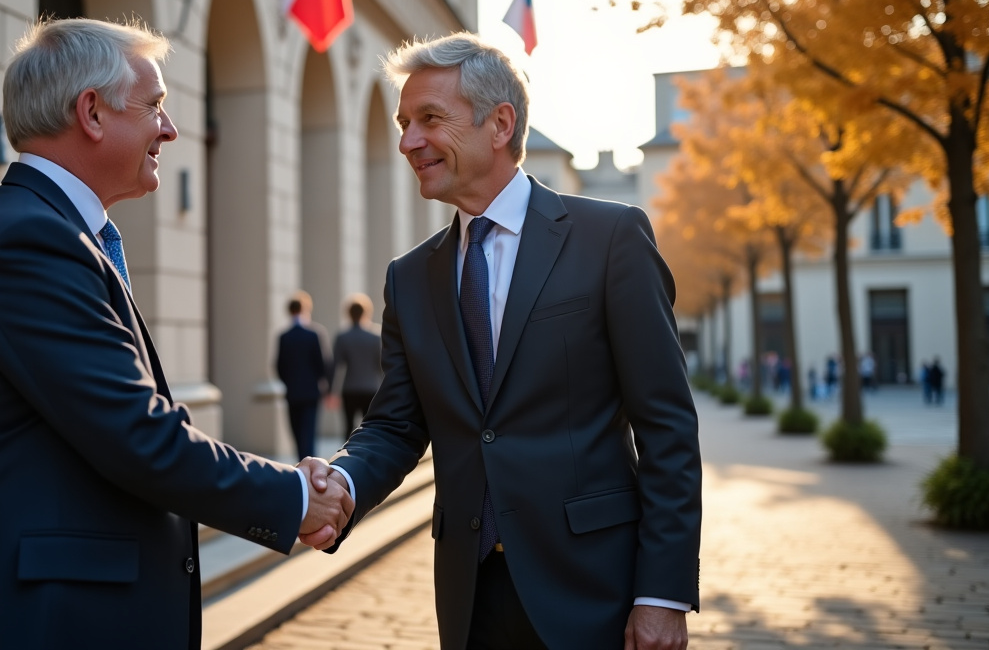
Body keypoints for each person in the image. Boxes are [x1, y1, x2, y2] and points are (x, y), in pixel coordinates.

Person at [0, 19, 352, 650]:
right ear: (91, 112)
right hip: (35, 622)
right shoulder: (29, 242)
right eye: (155, 106)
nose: (169, 129)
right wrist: (294, 496)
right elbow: (137, 433)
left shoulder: (51, 232)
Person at [301, 32, 702, 649]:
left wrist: (663, 593)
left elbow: (666, 425)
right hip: (471, 598)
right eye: (404, 124)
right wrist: (342, 483)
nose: (408, 141)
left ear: (500, 124)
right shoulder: (410, 277)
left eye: (429, 118)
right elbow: (396, 426)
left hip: (596, 591)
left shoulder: (611, 238)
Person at [276, 291, 330, 461]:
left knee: (296, 431)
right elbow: (323, 364)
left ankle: (302, 461)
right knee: (309, 432)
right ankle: (309, 464)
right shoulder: (314, 334)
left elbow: (279, 366)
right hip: (311, 392)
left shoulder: (284, 336)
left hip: (292, 392)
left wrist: (289, 382)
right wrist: (322, 383)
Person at [330, 293, 383, 436]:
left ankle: (349, 450)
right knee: (370, 427)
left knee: (348, 428)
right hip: (371, 388)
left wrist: (331, 391)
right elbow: (382, 365)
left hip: (350, 388)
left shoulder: (343, 337)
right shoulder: (376, 336)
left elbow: (335, 365)